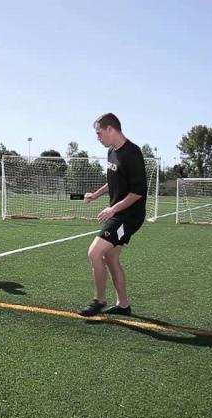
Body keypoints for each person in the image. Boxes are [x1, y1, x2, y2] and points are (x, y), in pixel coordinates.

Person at [79, 113, 147, 317]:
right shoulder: (111, 152)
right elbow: (114, 182)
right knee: (110, 257)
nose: (97, 137)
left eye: (99, 133)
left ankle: (99, 300)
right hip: (119, 214)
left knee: (94, 252)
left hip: (129, 216)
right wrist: (96, 195)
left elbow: (138, 192)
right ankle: (123, 305)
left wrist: (113, 209)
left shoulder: (132, 152)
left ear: (111, 129)